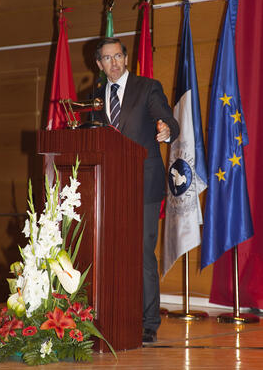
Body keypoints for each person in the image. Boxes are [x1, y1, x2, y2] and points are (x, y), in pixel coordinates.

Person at [92, 37, 179, 344]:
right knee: (109, 252)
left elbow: (167, 119)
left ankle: (148, 322)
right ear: (100, 64)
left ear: (126, 59)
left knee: (142, 252)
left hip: (143, 182)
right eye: (107, 58)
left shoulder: (147, 87)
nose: (113, 63)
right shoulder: (95, 96)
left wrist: (167, 130)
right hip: (107, 186)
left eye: (118, 56)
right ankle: (113, 313)